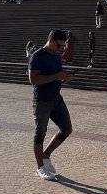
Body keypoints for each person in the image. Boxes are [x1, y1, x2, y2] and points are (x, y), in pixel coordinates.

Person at [27, 29, 74, 181]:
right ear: (51, 40)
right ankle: (40, 167)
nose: (61, 49)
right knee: (40, 132)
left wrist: (63, 77)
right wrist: (56, 76)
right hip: (42, 100)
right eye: (59, 45)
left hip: (56, 99)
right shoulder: (37, 56)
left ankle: (46, 155)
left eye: (63, 46)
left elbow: (57, 75)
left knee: (66, 129)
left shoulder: (56, 57)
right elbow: (33, 79)